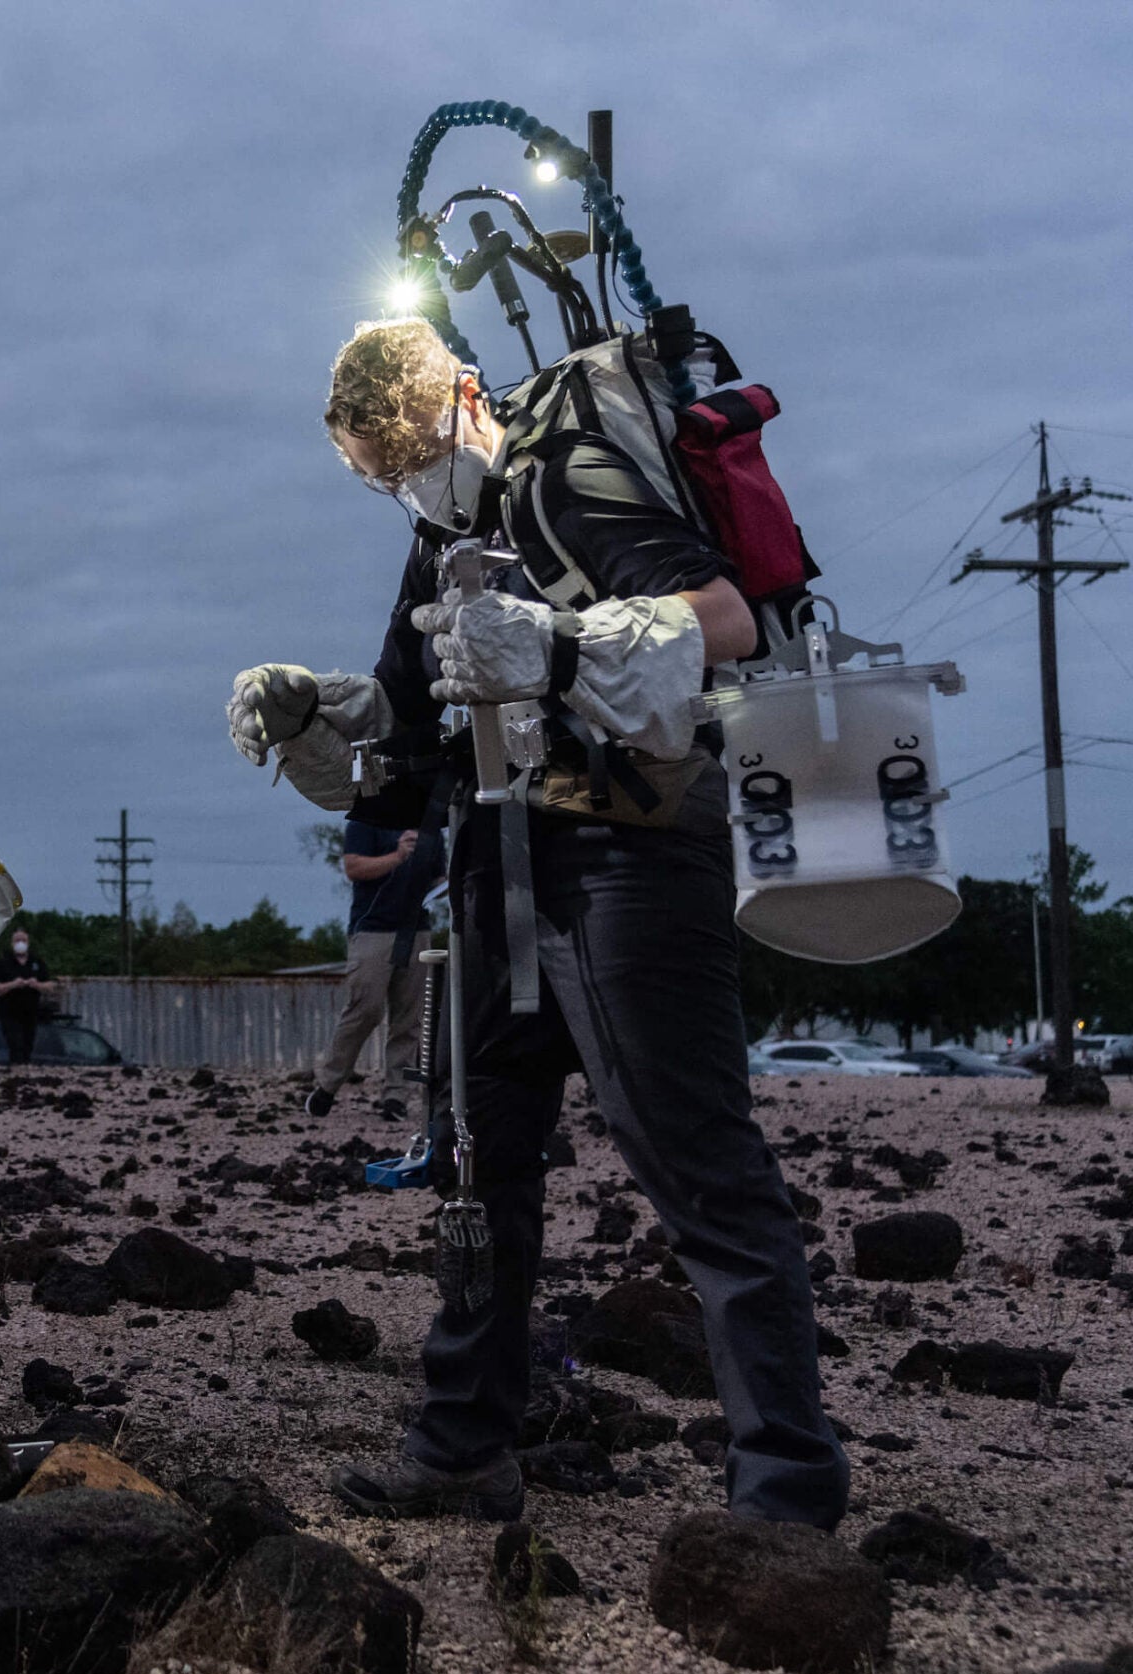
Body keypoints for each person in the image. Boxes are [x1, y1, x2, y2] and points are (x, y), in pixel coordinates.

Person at [227, 318, 848, 1532]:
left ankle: (785, 1489)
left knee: (698, 1164)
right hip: (495, 863)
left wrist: (555, 648)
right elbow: (407, 729)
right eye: (381, 474)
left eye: (411, 453)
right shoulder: (440, 533)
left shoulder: (566, 478)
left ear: (466, 396)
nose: (408, 482)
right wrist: (313, 710)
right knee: (474, 1162)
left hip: (630, 848)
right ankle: (464, 1449)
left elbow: (722, 620)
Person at [307, 805, 444, 1119]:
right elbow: (353, 868)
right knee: (364, 1009)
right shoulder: (366, 817)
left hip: (417, 930)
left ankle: (397, 1096)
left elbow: (439, 877)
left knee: (410, 1021)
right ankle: (328, 1085)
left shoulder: (431, 826)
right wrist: (397, 856)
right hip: (372, 929)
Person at [0, 928, 56, 1065]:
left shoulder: (37, 963)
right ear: (12, 943)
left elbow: (50, 986)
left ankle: (25, 1072)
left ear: (28, 943)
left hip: (31, 1012)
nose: (20, 943)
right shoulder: (3, 963)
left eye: (23, 940)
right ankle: (16, 1070)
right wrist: (13, 984)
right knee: (15, 1044)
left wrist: (36, 985)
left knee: (28, 1045)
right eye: (17, 940)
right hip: (9, 1012)